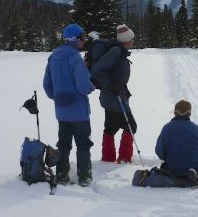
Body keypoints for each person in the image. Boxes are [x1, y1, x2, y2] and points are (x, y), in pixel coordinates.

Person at [43, 23, 95, 186]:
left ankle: (62, 175)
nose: (84, 41)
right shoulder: (75, 59)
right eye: (83, 38)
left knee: (64, 144)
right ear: (76, 39)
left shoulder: (53, 57)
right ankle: (84, 176)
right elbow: (83, 87)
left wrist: (59, 97)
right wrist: (91, 86)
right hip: (79, 112)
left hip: (62, 111)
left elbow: (47, 84)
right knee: (83, 144)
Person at [90, 24, 137, 163]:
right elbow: (97, 71)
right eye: (132, 39)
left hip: (110, 97)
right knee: (131, 126)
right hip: (115, 98)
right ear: (126, 40)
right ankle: (124, 159)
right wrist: (111, 85)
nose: (133, 41)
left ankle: (108, 158)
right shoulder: (116, 52)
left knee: (110, 127)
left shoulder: (119, 51)